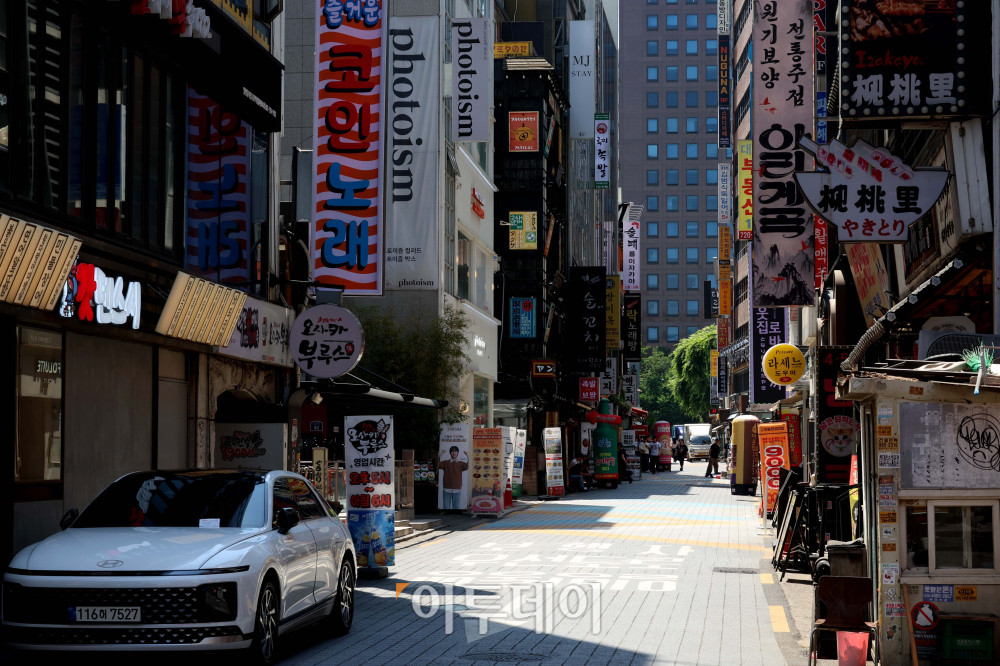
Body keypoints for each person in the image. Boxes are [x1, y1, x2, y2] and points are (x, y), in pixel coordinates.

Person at [438, 445, 468, 510]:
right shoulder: (446, 462)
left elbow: (468, 466)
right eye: (452, 451)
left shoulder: (461, 463)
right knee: (446, 508)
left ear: (458, 453)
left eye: (455, 451)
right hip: (446, 489)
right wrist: (441, 454)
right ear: (450, 453)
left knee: (456, 508)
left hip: (457, 489)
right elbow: (438, 465)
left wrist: (467, 456)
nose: (454, 453)